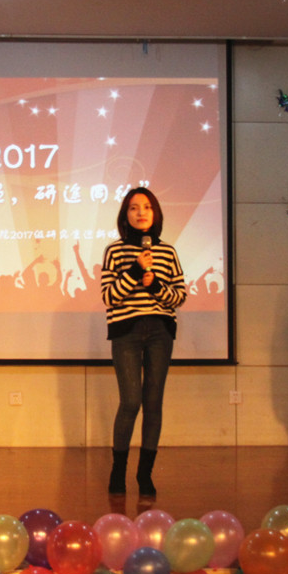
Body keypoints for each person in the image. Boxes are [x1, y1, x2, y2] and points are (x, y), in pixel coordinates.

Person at [101, 187, 187, 497]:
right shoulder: (115, 251)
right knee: (130, 401)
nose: (141, 213)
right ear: (125, 215)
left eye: (147, 207)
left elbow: (179, 296)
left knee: (153, 404)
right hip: (126, 331)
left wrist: (155, 287)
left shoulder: (168, 252)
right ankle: (118, 469)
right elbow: (109, 296)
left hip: (160, 332)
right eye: (134, 208)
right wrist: (136, 269)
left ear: (155, 213)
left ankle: (145, 474)